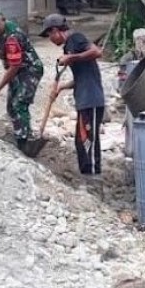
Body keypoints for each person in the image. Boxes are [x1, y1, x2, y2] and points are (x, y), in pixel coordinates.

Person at [39, 13, 105, 176]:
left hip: (91, 100)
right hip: (84, 101)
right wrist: (61, 86)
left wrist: (71, 57)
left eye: (49, 35)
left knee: (88, 140)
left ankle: (93, 176)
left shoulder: (75, 38)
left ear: (56, 30)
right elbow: (81, 77)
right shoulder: (69, 46)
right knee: (81, 141)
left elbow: (97, 52)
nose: (50, 39)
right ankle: (87, 174)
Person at [0, 6, 44, 152]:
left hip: (30, 70)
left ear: (2, 18)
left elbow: (14, 67)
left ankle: (25, 141)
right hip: (17, 70)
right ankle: (20, 133)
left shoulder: (13, 37)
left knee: (19, 103)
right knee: (11, 106)